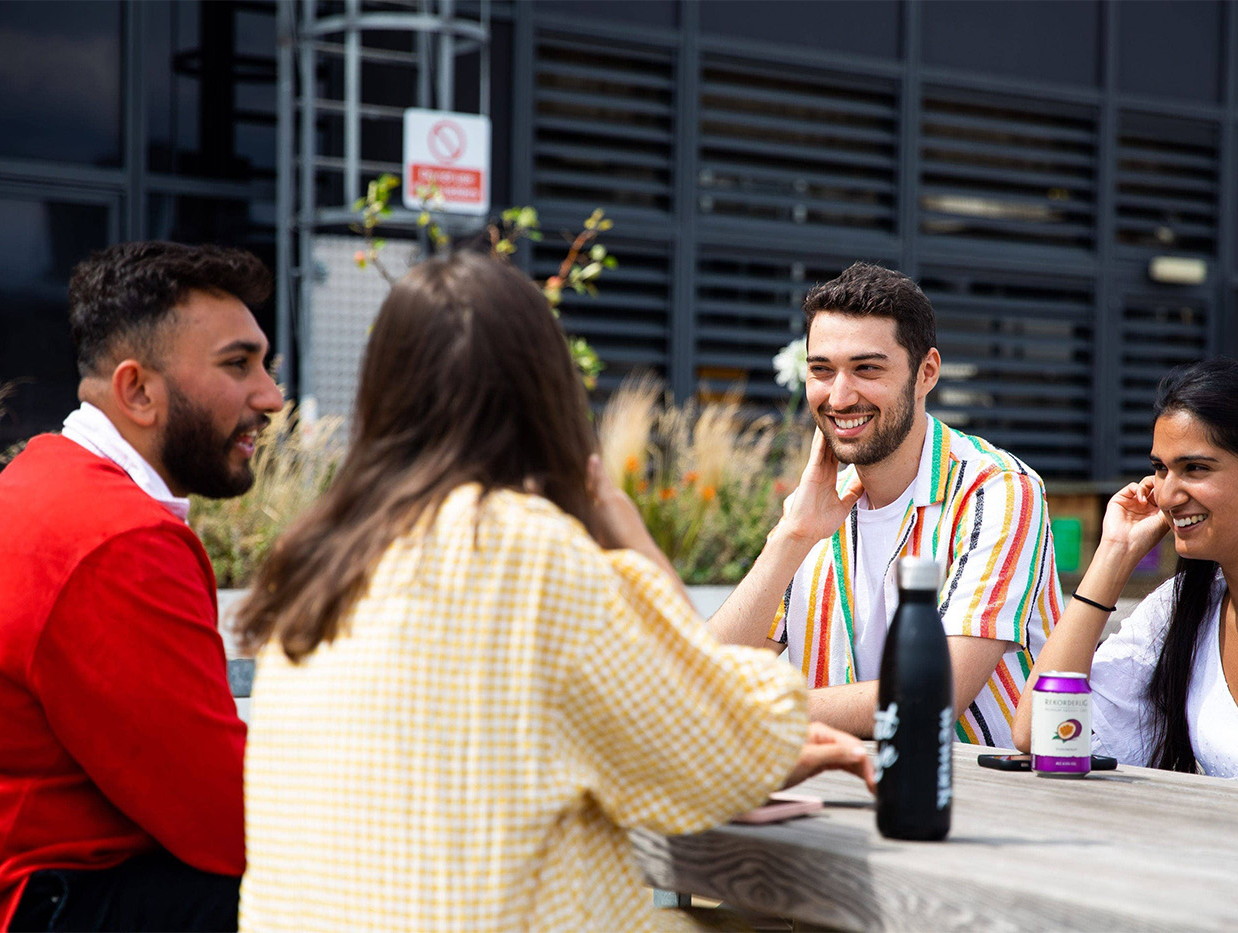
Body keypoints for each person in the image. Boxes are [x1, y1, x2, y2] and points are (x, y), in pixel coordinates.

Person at [232, 251, 874, 932]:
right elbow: (717, 751)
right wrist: (632, 538)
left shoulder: (315, 553)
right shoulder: (522, 548)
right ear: (546, 392)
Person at [0, 241, 284, 931]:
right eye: (238, 364)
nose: (271, 395)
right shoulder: (117, 540)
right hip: (34, 900)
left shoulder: (44, 479)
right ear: (137, 390)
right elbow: (231, 822)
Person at [710, 262, 1063, 743]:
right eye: (821, 370)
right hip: (839, 792)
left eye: (866, 369)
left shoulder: (996, 489)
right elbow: (702, 677)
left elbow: (936, 693)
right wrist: (791, 537)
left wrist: (761, 709)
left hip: (981, 800)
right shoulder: (817, 506)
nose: (839, 395)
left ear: (927, 373)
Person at [1012, 359, 1238, 797]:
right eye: (1161, 468)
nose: (1165, 494)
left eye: (1196, 469)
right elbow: (1040, 733)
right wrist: (1114, 554)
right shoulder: (1182, 607)